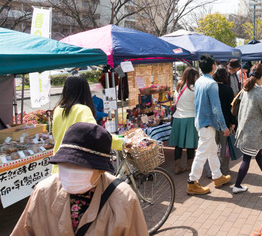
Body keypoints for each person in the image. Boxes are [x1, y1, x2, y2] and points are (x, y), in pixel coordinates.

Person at [12, 122, 148, 236]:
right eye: (65, 164)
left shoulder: (124, 199)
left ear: (100, 169)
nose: (70, 171)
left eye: (80, 166)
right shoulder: (43, 192)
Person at [52, 75, 124, 174]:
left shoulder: (58, 109)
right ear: (85, 91)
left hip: (58, 165)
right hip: (76, 168)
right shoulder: (82, 110)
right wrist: (121, 142)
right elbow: (97, 135)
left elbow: (55, 135)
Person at [187, 55, 231, 195]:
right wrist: (224, 126)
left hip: (201, 121)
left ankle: (217, 176)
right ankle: (192, 182)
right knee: (202, 153)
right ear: (213, 66)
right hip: (207, 123)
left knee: (211, 150)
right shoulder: (211, 83)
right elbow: (216, 108)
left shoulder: (199, 81)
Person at [233, 64, 262, 194]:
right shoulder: (260, 92)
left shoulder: (246, 89)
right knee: (247, 158)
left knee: (257, 152)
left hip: (245, 129)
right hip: (253, 131)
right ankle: (237, 185)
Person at [168, 67, 200, 175]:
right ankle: (190, 166)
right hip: (190, 117)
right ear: (193, 76)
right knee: (190, 144)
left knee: (178, 145)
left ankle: (177, 167)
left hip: (178, 118)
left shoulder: (179, 86)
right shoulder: (195, 88)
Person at [213, 66, 237, 174]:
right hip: (225, 121)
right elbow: (231, 108)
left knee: (212, 147)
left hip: (212, 121)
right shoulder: (228, 89)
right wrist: (233, 123)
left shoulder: (211, 89)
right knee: (223, 147)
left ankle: (212, 170)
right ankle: (223, 169)